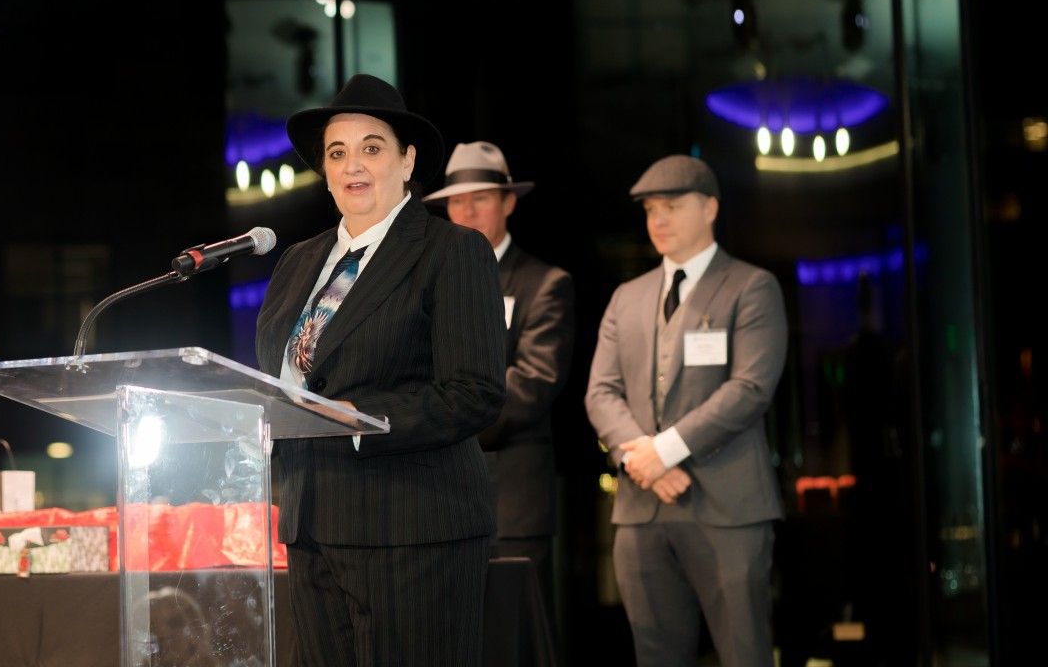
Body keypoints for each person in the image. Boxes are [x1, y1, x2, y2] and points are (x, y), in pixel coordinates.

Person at [255, 73, 506, 667]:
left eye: (372, 147)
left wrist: (358, 420)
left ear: (407, 160)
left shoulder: (453, 252)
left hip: (412, 529)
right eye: (337, 152)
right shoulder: (298, 262)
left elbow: (474, 393)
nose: (353, 165)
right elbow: (284, 380)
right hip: (311, 524)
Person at [584, 155, 787, 667]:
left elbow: (750, 388)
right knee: (655, 655)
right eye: (651, 209)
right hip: (641, 511)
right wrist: (643, 464)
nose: (659, 220)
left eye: (672, 206)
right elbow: (600, 394)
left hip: (729, 507)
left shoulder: (751, 287)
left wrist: (664, 451)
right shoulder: (626, 298)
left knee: (745, 652)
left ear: (711, 207)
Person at [423, 140, 574, 610]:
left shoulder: (545, 283)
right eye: (456, 200)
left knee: (514, 640)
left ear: (508, 203)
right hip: (435, 500)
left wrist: (440, 421)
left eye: (480, 198)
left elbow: (533, 383)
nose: (466, 210)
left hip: (509, 503)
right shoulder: (426, 286)